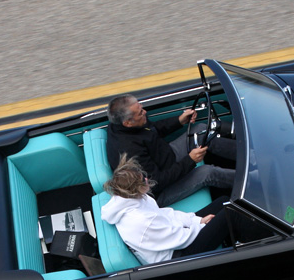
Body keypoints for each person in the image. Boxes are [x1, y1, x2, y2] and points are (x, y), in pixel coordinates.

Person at [105, 94, 237, 208]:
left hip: (166, 158)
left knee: (201, 130)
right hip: (159, 191)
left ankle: (251, 156)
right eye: (140, 112)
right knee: (208, 172)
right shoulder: (130, 150)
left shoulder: (125, 124)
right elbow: (157, 182)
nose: (144, 112)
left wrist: (179, 121)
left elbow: (151, 130)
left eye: (142, 108)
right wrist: (190, 160)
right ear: (128, 123)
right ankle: (251, 181)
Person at [100, 155, 229, 265]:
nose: (146, 179)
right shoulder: (141, 221)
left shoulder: (134, 198)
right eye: (142, 180)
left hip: (175, 235)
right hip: (179, 256)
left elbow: (167, 215)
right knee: (230, 213)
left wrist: (197, 220)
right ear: (134, 189)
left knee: (223, 201)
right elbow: (178, 238)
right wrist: (202, 225)